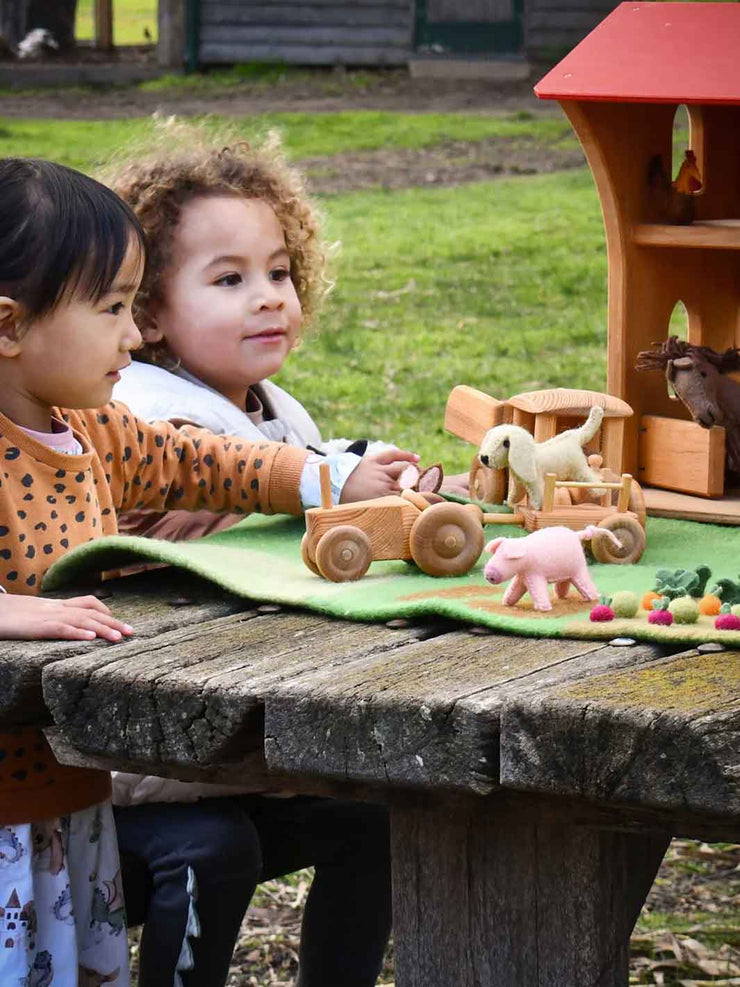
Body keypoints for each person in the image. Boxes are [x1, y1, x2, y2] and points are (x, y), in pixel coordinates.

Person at [0, 156, 411, 984]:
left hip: (65, 803)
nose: (133, 333)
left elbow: (204, 463)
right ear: (9, 326)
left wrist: (325, 477)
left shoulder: (91, 428)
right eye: (112, 307)